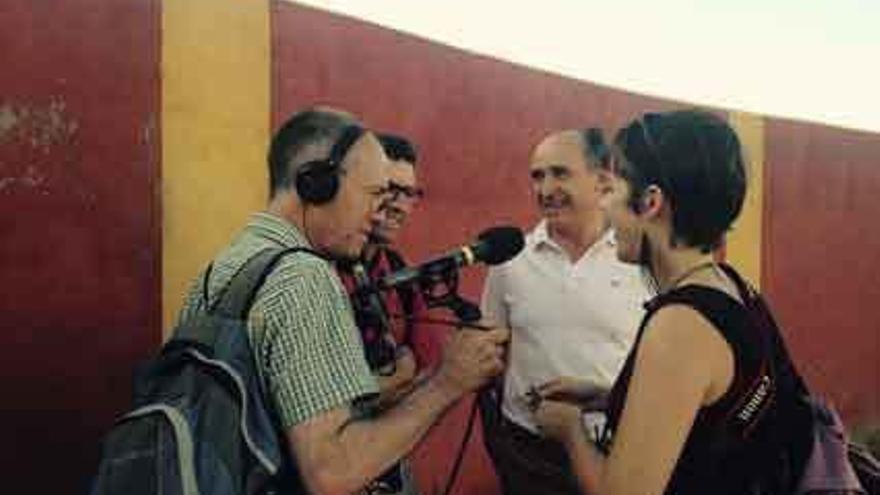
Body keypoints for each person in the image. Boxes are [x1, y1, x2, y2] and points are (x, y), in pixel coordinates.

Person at [178, 107, 509, 495]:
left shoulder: (224, 265)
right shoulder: (304, 277)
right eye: (372, 194)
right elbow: (332, 473)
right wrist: (448, 383)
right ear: (316, 184)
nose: (378, 213)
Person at [533, 110, 813, 495]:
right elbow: (709, 416)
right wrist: (608, 397)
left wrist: (569, 432)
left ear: (650, 202)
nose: (604, 207)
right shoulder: (730, 284)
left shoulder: (681, 326)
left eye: (611, 190)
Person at [480, 128, 650, 495]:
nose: (545, 189)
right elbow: (490, 358)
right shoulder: (511, 261)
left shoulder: (637, 261)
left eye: (560, 173)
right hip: (527, 457)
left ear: (602, 182)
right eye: (537, 176)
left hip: (616, 454)